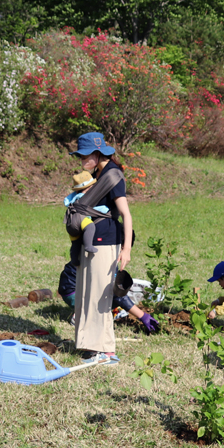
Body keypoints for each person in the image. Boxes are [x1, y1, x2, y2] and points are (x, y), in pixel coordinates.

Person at [69, 132, 133, 365]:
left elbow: (126, 214)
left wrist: (126, 249)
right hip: (94, 239)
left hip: (106, 241)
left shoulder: (112, 176)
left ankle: (104, 351)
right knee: (89, 292)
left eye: (84, 155)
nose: (81, 160)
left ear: (98, 154)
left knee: (99, 296)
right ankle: (97, 347)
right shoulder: (98, 174)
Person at [58, 260, 158, 333]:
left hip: (69, 287)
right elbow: (118, 297)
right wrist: (142, 315)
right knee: (111, 297)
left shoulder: (103, 248)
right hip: (73, 293)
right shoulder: (106, 258)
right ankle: (82, 315)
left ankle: (86, 309)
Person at [64, 171, 110, 255]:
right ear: (89, 188)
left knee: (75, 244)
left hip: (69, 222)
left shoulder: (74, 197)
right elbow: (93, 209)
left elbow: (66, 200)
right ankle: (88, 245)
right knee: (90, 227)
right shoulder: (84, 198)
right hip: (81, 220)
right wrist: (105, 209)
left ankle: (74, 258)